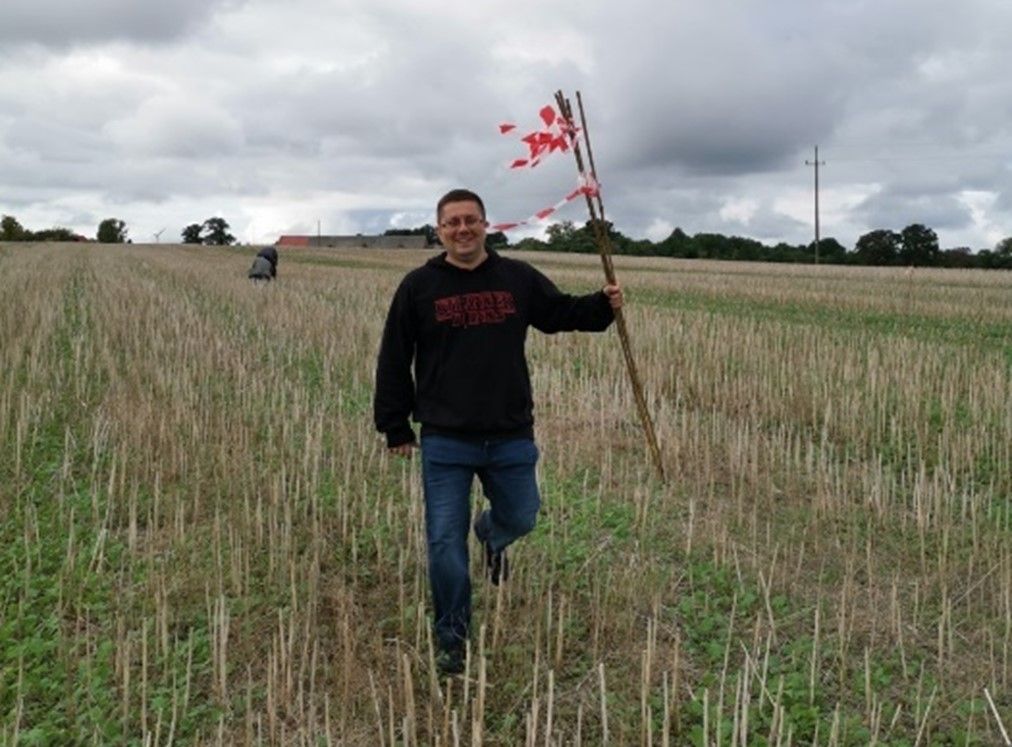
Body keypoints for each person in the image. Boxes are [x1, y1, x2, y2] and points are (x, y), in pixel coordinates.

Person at [373, 188, 623, 676]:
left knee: (523, 517)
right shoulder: (418, 286)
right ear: (439, 230)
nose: (462, 229)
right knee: (444, 543)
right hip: (445, 439)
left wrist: (602, 305)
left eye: (471, 220)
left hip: (509, 433)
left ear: (486, 224)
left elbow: (559, 315)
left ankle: (491, 533)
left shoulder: (517, 278)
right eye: (452, 222)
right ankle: (452, 636)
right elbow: (394, 357)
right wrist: (394, 425)